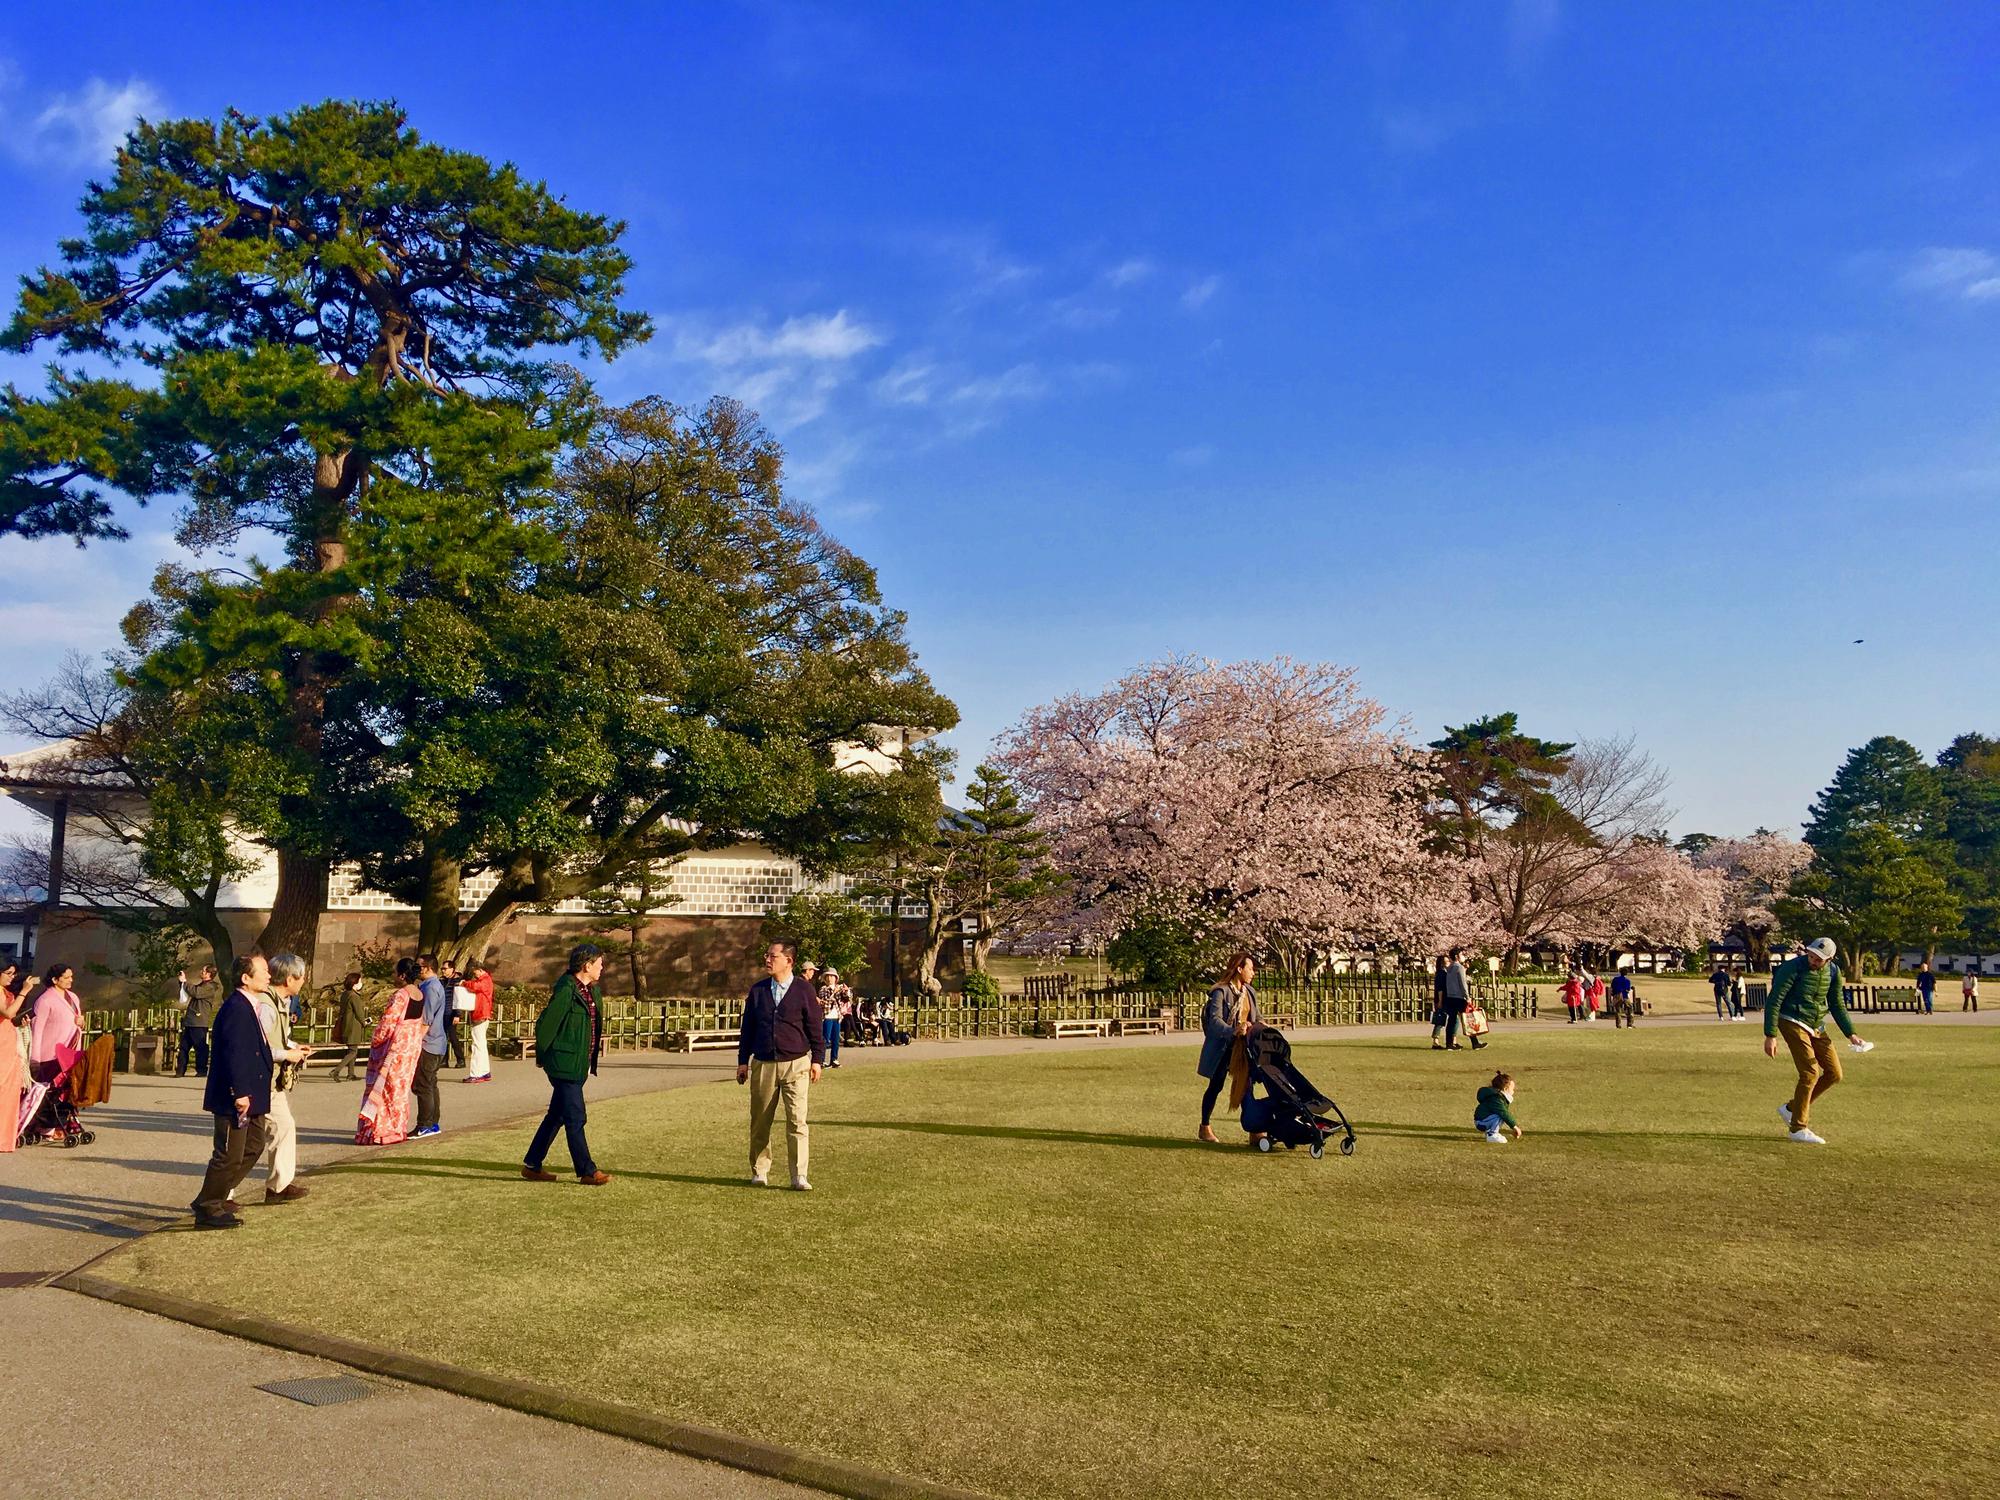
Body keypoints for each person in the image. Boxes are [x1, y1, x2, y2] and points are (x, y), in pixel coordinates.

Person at [190, 953, 275, 1229]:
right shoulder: (236, 1007)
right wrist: (239, 1091)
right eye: (263, 971)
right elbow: (233, 1053)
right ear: (245, 977)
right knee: (228, 1153)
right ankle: (208, 1206)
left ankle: (220, 1193)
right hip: (235, 1096)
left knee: (254, 1145)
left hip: (253, 1094)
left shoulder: (250, 1005)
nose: (269, 975)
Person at [1764, 936, 1872, 1145]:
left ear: (1829, 959)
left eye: (1818, 959)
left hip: (1816, 1024)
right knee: (1810, 1072)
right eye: (1811, 956)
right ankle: (1798, 1128)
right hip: (1791, 1020)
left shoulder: (1833, 972)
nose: (1813, 961)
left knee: (1834, 1073)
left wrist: (1851, 1034)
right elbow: (1774, 999)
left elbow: (1837, 1004)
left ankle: (1792, 1108)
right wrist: (1770, 1035)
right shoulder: (1792, 968)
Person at [736, 940, 824, 1190]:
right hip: (764, 1064)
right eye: (766, 955)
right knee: (760, 1120)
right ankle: (760, 1170)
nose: (767, 959)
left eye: (772, 956)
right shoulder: (758, 990)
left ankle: (799, 1175)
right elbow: (748, 1030)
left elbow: (815, 1028)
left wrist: (817, 1060)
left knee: (797, 1120)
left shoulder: (804, 990)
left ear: (789, 961)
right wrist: (743, 1061)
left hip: (796, 1064)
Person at [522, 943, 611, 1186]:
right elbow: (547, 1025)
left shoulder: (591, 992)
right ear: (586, 965)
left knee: (557, 1116)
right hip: (563, 1064)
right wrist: (544, 1057)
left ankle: (532, 1164)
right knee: (576, 1116)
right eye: (599, 963)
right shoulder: (567, 990)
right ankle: (587, 1170)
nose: (602, 967)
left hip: (577, 1063)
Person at [249, 952, 313, 1204]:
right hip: (260, 1080)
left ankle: (279, 1185)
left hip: (269, 1080)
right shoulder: (267, 1005)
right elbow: (257, 1046)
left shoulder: (279, 1002)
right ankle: (223, 1194)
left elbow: (276, 1039)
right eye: (302, 977)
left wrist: (294, 1047)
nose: (304, 982)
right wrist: (288, 1053)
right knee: (246, 1144)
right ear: (290, 978)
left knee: (282, 1127)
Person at [356, 958, 427, 1146]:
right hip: (411, 1047)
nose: (394, 976)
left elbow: (388, 1023)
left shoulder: (401, 995)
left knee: (385, 1090)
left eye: (396, 973)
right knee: (401, 1091)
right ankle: (398, 1128)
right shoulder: (420, 995)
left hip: (395, 1050)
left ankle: (381, 1130)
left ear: (403, 975)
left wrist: (376, 1041)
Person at [1197, 952, 1260, 1143]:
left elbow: (1257, 1017)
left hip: (1243, 1048)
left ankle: (1254, 1129)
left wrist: (1261, 1027)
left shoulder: (1249, 992)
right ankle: (1204, 1126)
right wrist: (1233, 1030)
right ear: (1239, 969)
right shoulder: (1221, 991)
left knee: (1246, 1087)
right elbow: (1214, 1021)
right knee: (1215, 1086)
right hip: (1223, 1047)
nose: (1253, 973)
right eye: (1250, 968)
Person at [0, 960, 39, 1153]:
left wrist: (19, 1022)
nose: (11, 976)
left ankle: (5, 1137)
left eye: (13, 973)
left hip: (7, 1041)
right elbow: (7, 1012)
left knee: (9, 1091)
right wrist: (24, 991)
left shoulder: (5, 991)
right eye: (8, 972)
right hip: (2, 1046)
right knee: (3, 1090)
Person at [411, 953, 449, 1137]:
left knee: (424, 1084)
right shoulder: (429, 986)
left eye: (419, 966)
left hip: (430, 1042)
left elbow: (426, 1018)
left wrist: (416, 1041)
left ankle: (425, 1123)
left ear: (427, 968)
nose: (417, 970)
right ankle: (432, 1122)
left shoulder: (431, 988)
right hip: (435, 1042)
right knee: (430, 1083)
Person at [176, 964, 219, 1077]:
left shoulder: (210, 987)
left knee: (200, 1047)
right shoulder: (203, 985)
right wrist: (182, 983)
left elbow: (196, 992)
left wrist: (185, 982)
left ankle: (201, 1070)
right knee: (184, 1047)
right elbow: (191, 990)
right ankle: (180, 1070)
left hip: (199, 1022)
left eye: (204, 971)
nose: (201, 972)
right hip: (190, 1021)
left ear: (209, 974)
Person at [330, 972, 370, 1082]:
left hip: (346, 1025)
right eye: (360, 981)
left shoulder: (345, 994)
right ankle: (336, 1071)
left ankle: (351, 1074)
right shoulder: (354, 996)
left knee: (351, 1050)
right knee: (353, 1052)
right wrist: (364, 1022)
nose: (361, 983)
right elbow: (359, 1013)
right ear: (354, 984)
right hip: (354, 1026)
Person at [1432, 948, 1475, 1050]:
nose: (1462, 956)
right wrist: (1467, 997)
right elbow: (1462, 984)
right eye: (1461, 954)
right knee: (1467, 1019)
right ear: (1456, 956)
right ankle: (1474, 1042)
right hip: (1459, 997)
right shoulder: (1458, 967)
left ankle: (1450, 1043)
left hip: (1451, 997)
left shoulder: (1450, 968)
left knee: (1452, 1020)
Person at [464, 958, 495, 1082]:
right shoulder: (486, 980)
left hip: (480, 1014)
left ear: (480, 970)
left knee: (477, 1044)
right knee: (481, 1044)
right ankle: (484, 1071)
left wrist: (464, 983)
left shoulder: (485, 980)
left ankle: (476, 1073)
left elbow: (476, 986)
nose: (474, 975)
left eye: (475, 972)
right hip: (482, 1013)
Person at [1473, 1071, 1522, 1144]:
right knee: (1500, 1115)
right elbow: (1504, 1113)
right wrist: (1515, 1127)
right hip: (1482, 1122)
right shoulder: (1497, 1099)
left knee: (1500, 1115)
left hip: (1482, 1121)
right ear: (1505, 1089)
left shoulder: (1497, 1097)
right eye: (1512, 1089)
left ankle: (1490, 1132)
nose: (1513, 1092)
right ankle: (1492, 1134)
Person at [440, 958, 470, 1068]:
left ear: (452, 969)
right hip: (442, 1012)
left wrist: (457, 1014)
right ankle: (444, 1060)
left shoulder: (458, 981)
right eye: (442, 968)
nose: (443, 971)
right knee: (443, 1037)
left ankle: (460, 1059)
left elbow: (459, 999)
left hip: (452, 1012)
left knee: (453, 1037)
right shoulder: (442, 981)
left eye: (445, 968)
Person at [818, 966, 845, 1067]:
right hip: (827, 1016)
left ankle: (834, 1059)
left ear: (836, 978)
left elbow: (846, 999)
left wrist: (846, 991)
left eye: (832, 976)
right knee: (825, 1039)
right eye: (828, 976)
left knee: (836, 1040)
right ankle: (822, 1060)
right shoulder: (823, 989)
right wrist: (834, 992)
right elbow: (825, 1002)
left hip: (837, 1016)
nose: (830, 979)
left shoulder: (839, 989)